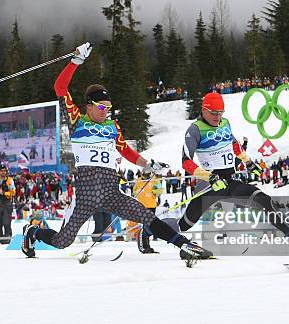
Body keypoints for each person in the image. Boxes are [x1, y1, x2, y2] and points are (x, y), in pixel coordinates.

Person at [21, 42, 209, 259]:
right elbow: (60, 89)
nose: (105, 112)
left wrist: (147, 164)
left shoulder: (112, 127)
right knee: (63, 241)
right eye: (102, 108)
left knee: (147, 217)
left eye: (109, 108)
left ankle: (184, 246)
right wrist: (75, 62)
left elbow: (125, 151)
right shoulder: (77, 121)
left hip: (112, 193)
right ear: (89, 106)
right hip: (86, 196)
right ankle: (32, 232)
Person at [174, 91, 289, 257]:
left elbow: (235, 145)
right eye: (213, 113)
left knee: (265, 201)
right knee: (184, 225)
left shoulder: (225, 123)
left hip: (230, 183)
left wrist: (248, 163)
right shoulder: (195, 129)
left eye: (220, 113)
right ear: (203, 110)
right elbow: (186, 162)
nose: (217, 117)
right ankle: (149, 231)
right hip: (209, 186)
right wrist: (210, 177)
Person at [0, 165, 15, 244]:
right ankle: (0, 239)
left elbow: (13, 192)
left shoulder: (10, 180)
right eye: (1, 171)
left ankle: (7, 239)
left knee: (6, 222)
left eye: (4, 171)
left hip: (6, 204)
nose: (3, 172)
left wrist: (3, 192)